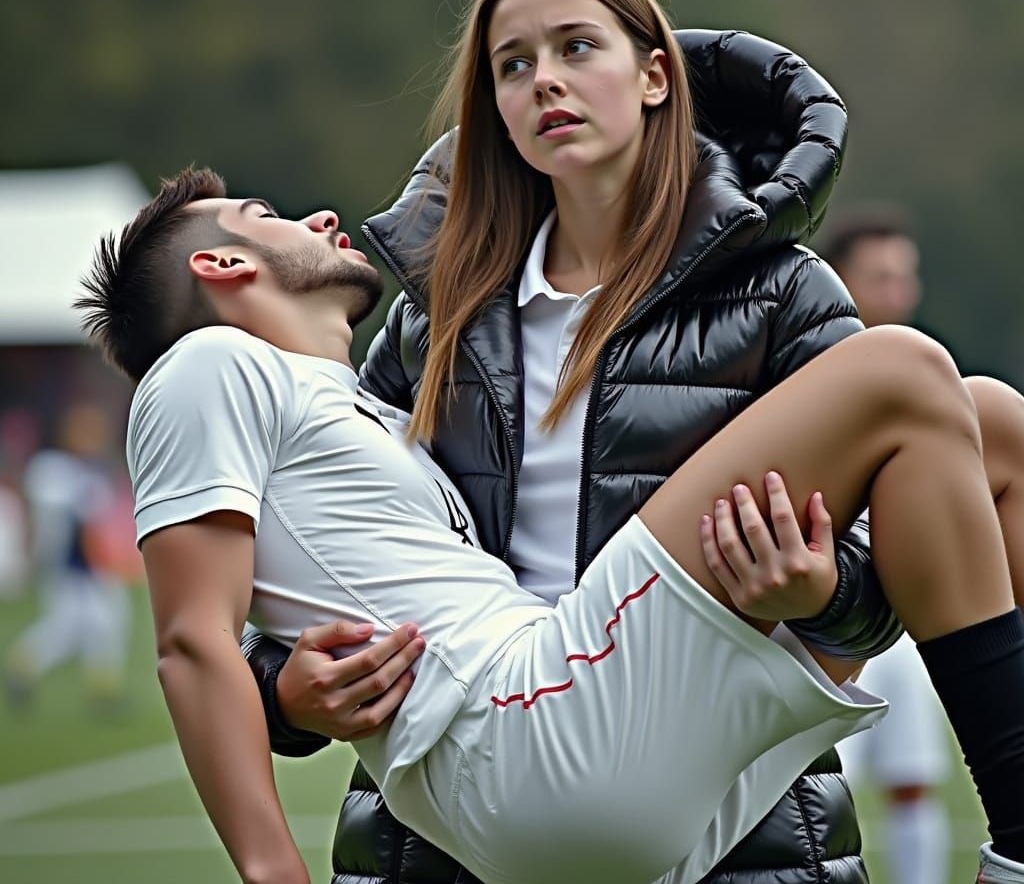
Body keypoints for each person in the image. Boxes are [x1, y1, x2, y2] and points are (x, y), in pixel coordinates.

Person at [239, 0, 1024, 884]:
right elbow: (327, 534)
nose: (545, 84)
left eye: (577, 48)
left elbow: (863, 592)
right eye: (513, 66)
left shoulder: (782, 293)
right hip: (487, 773)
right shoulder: (429, 320)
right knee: (919, 374)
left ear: (655, 76)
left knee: (991, 419)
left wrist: (820, 595)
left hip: (714, 763)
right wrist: (281, 694)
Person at [77, 163, 1024, 884]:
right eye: (263, 216)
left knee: (990, 428)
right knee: (897, 369)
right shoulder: (205, 365)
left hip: (607, 759)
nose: (317, 218)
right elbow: (193, 638)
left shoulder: (366, 405)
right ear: (222, 264)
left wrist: (825, 593)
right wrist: (275, 869)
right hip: (525, 743)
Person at [824, 212, 951, 884]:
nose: (898, 293)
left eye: (906, 277)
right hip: (818, 613)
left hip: (902, 623)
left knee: (913, 786)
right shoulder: (800, 365)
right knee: (808, 794)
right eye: (881, 277)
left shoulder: (929, 375)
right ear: (839, 281)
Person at [3, 403, 131, 712]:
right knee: (72, 628)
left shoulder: (83, 473)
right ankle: (24, 667)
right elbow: (72, 521)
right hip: (68, 568)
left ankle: (101, 689)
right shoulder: (53, 469)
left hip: (83, 568)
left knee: (101, 624)